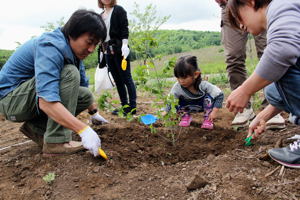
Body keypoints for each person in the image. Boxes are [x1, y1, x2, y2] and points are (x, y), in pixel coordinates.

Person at [0, 9, 109, 156]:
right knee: (70, 73)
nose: (91, 49)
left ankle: (37, 129)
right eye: (89, 42)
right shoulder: (50, 46)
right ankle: (56, 142)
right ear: (72, 34)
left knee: (84, 95)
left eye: (95, 45)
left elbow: (82, 88)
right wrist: (83, 129)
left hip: (27, 98)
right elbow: (46, 101)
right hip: (10, 101)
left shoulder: (73, 52)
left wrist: (94, 113)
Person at [226, 0, 300, 168]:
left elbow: (284, 51)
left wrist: (245, 90)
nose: (242, 27)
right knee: (273, 90)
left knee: (281, 68)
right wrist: (263, 116)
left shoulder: (282, 6)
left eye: (240, 18)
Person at [215, 0, 285, 129]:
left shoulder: (284, 11)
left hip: (255, 4)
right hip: (231, 5)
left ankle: (273, 104)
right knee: (233, 56)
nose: (240, 26)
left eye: (241, 22)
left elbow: (282, 53)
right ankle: (244, 109)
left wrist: (245, 90)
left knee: (269, 52)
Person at [98, 0, 137, 115]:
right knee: (118, 81)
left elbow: (124, 28)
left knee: (126, 78)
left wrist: (125, 45)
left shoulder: (119, 10)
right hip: (107, 52)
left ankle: (133, 107)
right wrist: (101, 51)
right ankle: (125, 107)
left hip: (120, 49)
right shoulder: (100, 16)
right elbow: (101, 36)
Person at [164, 55, 224, 130]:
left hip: (203, 106)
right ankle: (185, 116)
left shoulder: (204, 85)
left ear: (195, 74)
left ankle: (207, 119)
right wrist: (165, 111)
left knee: (208, 97)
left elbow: (219, 94)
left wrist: (214, 112)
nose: (181, 81)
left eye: (184, 77)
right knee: (174, 99)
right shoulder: (177, 87)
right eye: (178, 77)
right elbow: (170, 99)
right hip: (186, 107)